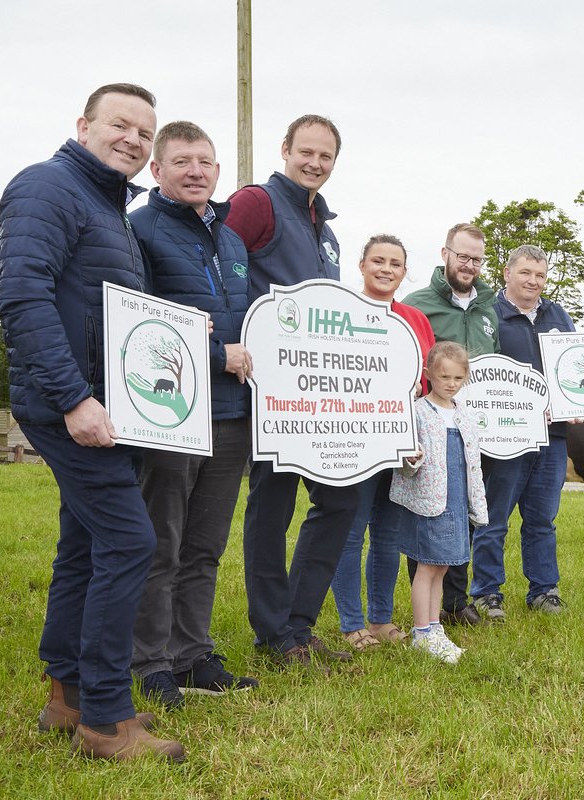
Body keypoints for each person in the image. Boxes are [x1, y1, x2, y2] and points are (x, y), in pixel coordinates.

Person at [0, 83, 184, 762]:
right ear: (84, 125)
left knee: (85, 545)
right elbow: (22, 295)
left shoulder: (109, 210)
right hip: (69, 404)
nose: (133, 139)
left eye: (144, 132)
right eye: (120, 124)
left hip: (107, 406)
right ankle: (107, 720)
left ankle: (64, 695)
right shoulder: (47, 186)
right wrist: (74, 399)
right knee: (130, 542)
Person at [127, 121, 258, 709]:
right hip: (171, 411)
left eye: (206, 161)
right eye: (182, 161)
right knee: (163, 542)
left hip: (229, 412)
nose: (196, 171)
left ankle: (192, 654)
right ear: (156, 170)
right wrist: (212, 354)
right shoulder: (139, 230)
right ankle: (150, 663)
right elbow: (133, 322)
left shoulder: (230, 239)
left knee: (205, 545)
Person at [224, 115, 357, 667]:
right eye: (307, 152)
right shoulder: (256, 203)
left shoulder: (326, 231)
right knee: (272, 506)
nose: (316, 163)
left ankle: (299, 623)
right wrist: (230, 345)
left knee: (341, 497)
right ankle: (273, 631)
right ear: (285, 149)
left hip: (318, 397)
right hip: (268, 390)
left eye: (326, 156)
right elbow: (219, 268)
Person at [328, 235, 434, 650]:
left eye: (395, 263)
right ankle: (352, 623)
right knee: (351, 533)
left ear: (405, 272)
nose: (386, 269)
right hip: (355, 440)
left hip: (401, 444)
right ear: (362, 265)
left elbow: (428, 379)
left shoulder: (416, 318)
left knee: (389, 533)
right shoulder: (342, 311)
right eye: (378, 261)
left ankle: (380, 619)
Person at [470, 245, 576, 621]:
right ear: (507, 272)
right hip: (504, 438)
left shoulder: (558, 314)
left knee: (542, 519)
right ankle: (486, 592)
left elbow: (571, 366)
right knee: (493, 517)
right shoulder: (487, 314)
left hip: (552, 436)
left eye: (541, 275)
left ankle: (544, 590)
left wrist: (576, 405)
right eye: (526, 272)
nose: (533, 281)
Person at [402, 223, 499, 625]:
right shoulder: (418, 304)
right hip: (428, 429)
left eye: (477, 259)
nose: (470, 265)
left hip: (470, 431)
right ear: (445, 254)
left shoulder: (488, 310)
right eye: (463, 257)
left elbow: (495, 370)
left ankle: (456, 601)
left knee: (462, 513)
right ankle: (427, 611)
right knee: (430, 516)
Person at [390, 342, 488, 663]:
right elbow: (404, 459)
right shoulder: (418, 411)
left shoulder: (463, 412)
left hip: (455, 498)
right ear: (429, 373)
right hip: (430, 500)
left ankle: (434, 627)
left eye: (458, 378)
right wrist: (411, 459)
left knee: (443, 565)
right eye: (444, 376)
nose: (450, 384)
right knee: (427, 565)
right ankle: (422, 632)